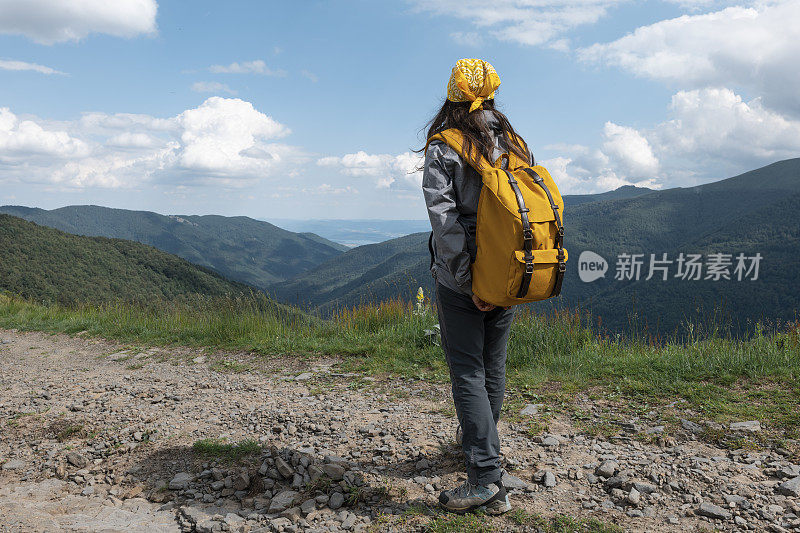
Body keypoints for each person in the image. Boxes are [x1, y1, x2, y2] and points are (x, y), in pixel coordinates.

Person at [421, 58, 532, 515]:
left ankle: (486, 477)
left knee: (467, 370)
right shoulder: (513, 140)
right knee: (492, 364)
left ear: (451, 94)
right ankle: (481, 447)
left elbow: (445, 223)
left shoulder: (444, 146)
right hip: (509, 270)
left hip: (464, 275)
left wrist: (466, 281)